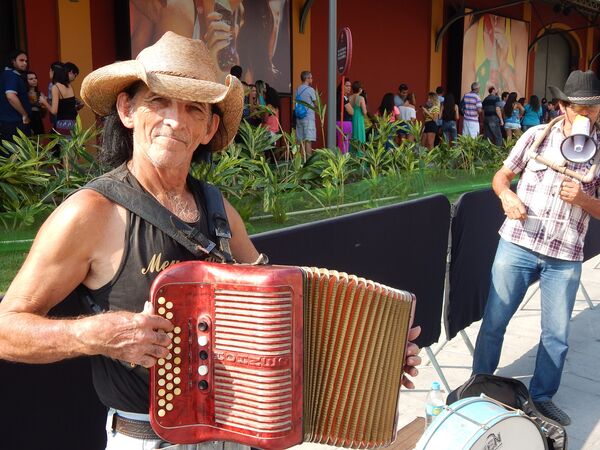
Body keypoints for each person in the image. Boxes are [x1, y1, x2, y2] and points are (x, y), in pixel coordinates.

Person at [0, 32, 421, 449]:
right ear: (127, 109)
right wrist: (94, 334)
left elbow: (282, 317)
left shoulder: (218, 209)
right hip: (149, 439)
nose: (174, 120)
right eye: (158, 101)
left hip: (239, 430)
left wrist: (373, 356)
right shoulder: (92, 212)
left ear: (209, 127)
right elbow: (6, 328)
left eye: (193, 108)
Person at [472, 70, 600, 427]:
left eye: (594, 110)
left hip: (565, 256)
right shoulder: (535, 137)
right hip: (519, 245)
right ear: (562, 106)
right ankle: (478, 386)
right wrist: (505, 196)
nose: (587, 117)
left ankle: (542, 397)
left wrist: (585, 200)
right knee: (495, 320)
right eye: (580, 109)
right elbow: (501, 176)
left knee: (556, 336)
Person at [0, 50, 32, 144]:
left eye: (26, 61)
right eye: (21, 60)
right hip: (14, 123)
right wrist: (24, 114)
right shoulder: (11, 75)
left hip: (9, 122)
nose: (25, 63)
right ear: (13, 61)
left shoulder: (7, 75)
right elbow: (10, 96)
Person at [39, 64, 78, 135]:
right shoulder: (69, 85)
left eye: (50, 71)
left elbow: (54, 111)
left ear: (53, 72)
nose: (49, 73)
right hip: (74, 122)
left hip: (63, 123)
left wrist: (44, 102)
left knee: (65, 145)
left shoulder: (56, 87)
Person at [295, 70, 317, 158]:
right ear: (307, 78)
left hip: (299, 118)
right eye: (311, 77)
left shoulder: (297, 89)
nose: (312, 79)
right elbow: (316, 104)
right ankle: (308, 163)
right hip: (308, 118)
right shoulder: (310, 90)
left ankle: (301, 162)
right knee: (308, 141)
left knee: (301, 141)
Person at [336, 79, 353, 154]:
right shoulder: (343, 98)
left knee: (341, 144)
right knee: (344, 146)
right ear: (342, 86)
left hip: (340, 123)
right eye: (347, 86)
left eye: (350, 86)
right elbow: (351, 112)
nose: (349, 88)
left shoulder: (339, 96)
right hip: (344, 123)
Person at [349, 80, 367, 153]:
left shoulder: (349, 97)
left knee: (353, 136)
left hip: (352, 119)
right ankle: (360, 157)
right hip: (359, 119)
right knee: (360, 137)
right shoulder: (361, 98)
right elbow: (364, 112)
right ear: (360, 89)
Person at [26, 71, 45, 135]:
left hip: (38, 120)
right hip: (27, 120)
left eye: (35, 78)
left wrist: (44, 105)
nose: (34, 80)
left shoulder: (40, 94)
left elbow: (43, 114)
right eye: (31, 79)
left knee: (39, 142)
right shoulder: (24, 94)